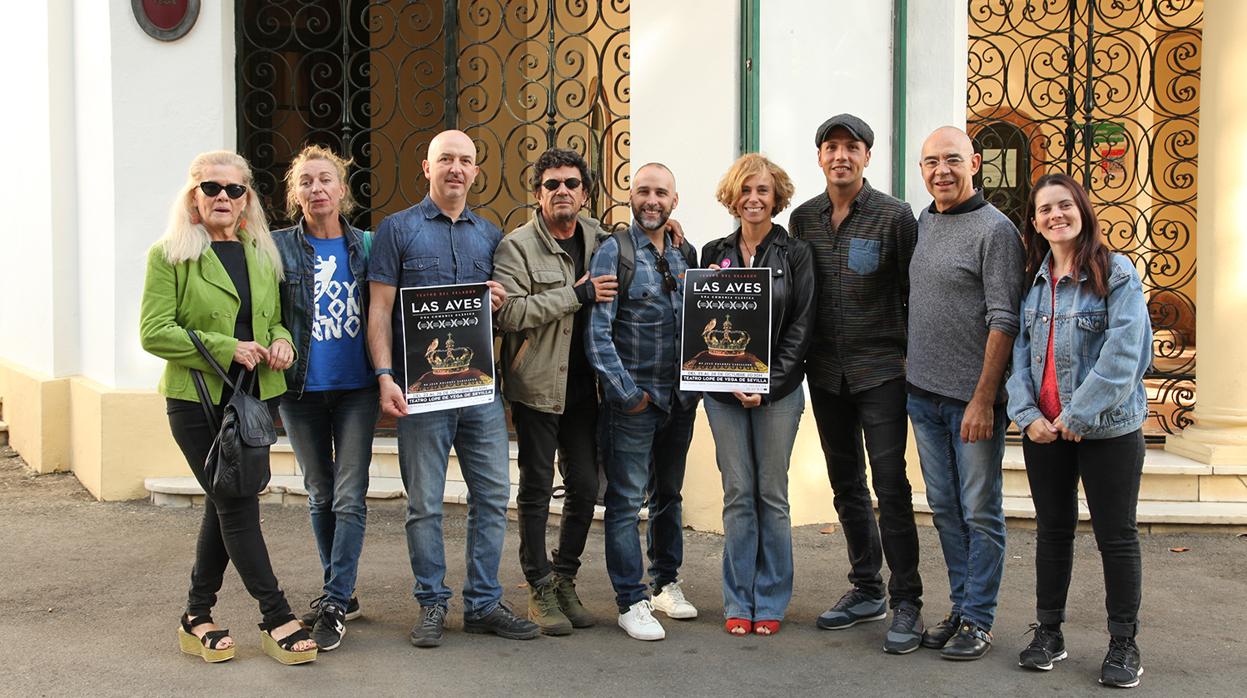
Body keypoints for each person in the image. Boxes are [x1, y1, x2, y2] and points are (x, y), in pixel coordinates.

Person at [139, 150, 317, 665]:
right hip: (196, 402)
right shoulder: (170, 254)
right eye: (212, 189)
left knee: (225, 501)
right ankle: (275, 615)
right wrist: (224, 346)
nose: (223, 198)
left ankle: (197, 615)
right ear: (194, 197)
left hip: (252, 398)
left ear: (247, 200)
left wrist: (282, 343)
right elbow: (154, 331)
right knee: (238, 504)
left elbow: (275, 321)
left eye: (234, 190)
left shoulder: (260, 252)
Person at [367, 129, 539, 648]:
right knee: (424, 502)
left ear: (476, 170)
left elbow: (504, 312)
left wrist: (499, 298)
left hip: (481, 391)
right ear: (427, 167)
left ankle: (484, 602)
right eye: (446, 160)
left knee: (492, 496)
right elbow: (378, 309)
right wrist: (383, 376)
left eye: (465, 160)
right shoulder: (396, 231)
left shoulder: (490, 236)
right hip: (420, 393)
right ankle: (432, 603)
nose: (456, 169)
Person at [1006, 174, 1151, 688]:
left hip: (1108, 429)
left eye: (1064, 205)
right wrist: (1028, 417)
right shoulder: (1034, 279)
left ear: (1082, 210)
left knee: (1115, 535)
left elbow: (1124, 355)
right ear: (1035, 221)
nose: (1055, 215)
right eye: (1044, 209)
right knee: (1053, 532)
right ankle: (1049, 633)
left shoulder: (1115, 272)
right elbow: (1019, 356)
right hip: (1045, 430)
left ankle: (1123, 644)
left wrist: (1077, 416)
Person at [788, 114, 925, 653]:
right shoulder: (804, 219)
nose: (840, 155)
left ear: (868, 156)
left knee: (891, 486)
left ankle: (907, 598)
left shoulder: (896, 217)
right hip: (825, 375)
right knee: (846, 483)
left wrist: (916, 364)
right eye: (831, 147)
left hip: (883, 372)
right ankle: (866, 588)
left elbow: (916, 293)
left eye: (852, 147)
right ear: (819, 157)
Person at [907, 126, 1025, 660]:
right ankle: (960, 607)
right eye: (931, 162)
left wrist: (983, 400)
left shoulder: (996, 231)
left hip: (971, 403)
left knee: (981, 510)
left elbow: (1005, 319)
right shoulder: (925, 221)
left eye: (952, 160)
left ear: (975, 162)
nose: (941, 171)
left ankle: (979, 619)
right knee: (946, 508)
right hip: (922, 395)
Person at [493, 147, 613, 635]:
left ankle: (565, 576)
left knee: (585, 485)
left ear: (585, 192)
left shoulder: (603, 239)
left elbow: (642, 257)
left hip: (588, 387)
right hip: (537, 383)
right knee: (537, 489)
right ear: (539, 193)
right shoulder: (516, 247)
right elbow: (508, 314)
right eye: (551, 185)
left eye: (570, 183)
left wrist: (669, 232)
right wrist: (576, 295)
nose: (561, 191)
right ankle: (539, 585)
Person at [700, 153, 814, 636]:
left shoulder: (796, 254)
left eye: (763, 191)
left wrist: (764, 385)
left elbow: (802, 327)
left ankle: (769, 598)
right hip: (723, 396)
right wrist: (730, 382)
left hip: (779, 394)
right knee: (737, 493)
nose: (753, 199)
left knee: (772, 494)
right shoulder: (712, 252)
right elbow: (698, 321)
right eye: (745, 190)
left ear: (776, 198)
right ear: (732, 195)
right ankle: (737, 599)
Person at [586, 162, 700, 641]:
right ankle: (630, 600)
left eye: (661, 193)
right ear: (630, 197)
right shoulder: (615, 251)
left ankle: (665, 583)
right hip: (635, 402)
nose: (652, 200)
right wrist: (628, 395)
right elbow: (597, 335)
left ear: (675, 201)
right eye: (643, 192)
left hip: (679, 401)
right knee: (625, 501)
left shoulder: (683, 252)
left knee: (669, 496)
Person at [273, 144, 377, 651]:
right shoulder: (275, 248)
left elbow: (409, 294)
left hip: (358, 387)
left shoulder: (369, 246)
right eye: (307, 181)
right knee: (320, 491)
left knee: (349, 494)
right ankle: (344, 592)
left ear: (342, 190)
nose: (317, 189)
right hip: (300, 390)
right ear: (296, 193)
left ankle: (334, 601)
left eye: (325, 179)